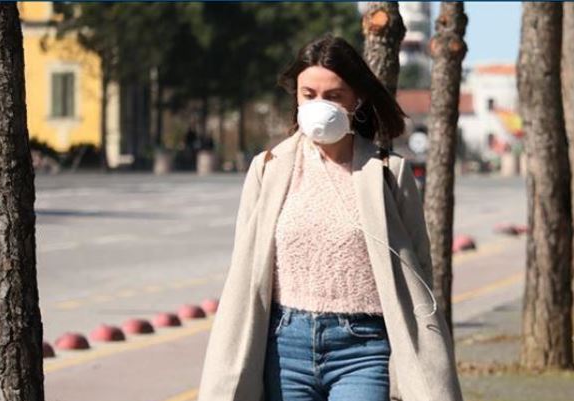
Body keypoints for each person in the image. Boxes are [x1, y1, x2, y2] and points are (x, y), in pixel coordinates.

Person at [196, 36, 462, 401]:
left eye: (334, 96)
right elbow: (245, 265)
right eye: (309, 94)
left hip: (363, 349)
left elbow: (419, 268)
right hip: (284, 347)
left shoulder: (388, 172)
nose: (319, 106)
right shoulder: (268, 168)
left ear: (357, 99)